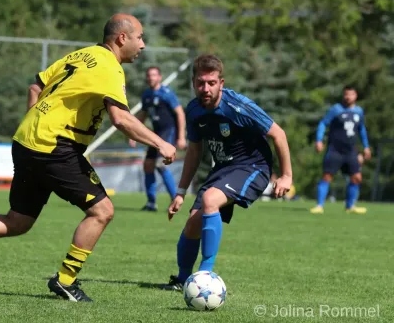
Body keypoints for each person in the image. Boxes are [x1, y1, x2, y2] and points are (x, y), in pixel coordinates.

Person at [0, 14, 177, 302]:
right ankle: (66, 281)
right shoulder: (110, 68)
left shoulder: (82, 55)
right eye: (140, 37)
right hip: (55, 146)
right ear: (122, 38)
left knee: (18, 220)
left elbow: (35, 87)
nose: (142, 45)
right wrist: (161, 144)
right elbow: (120, 118)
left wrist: (37, 119)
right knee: (102, 211)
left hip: (26, 140)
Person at [162, 54, 292, 290]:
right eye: (201, 83)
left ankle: (205, 277)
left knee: (211, 199)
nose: (206, 88)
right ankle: (182, 280)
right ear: (193, 83)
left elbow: (278, 134)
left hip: (253, 166)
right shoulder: (193, 111)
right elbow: (194, 151)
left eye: (211, 83)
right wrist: (180, 191)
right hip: (223, 168)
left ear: (221, 83)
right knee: (193, 223)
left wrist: (286, 176)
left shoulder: (238, 107)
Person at [129, 67, 186, 211]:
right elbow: (143, 114)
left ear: (159, 77)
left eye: (154, 75)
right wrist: (133, 134)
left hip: (168, 132)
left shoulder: (166, 93)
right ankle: (151, 203)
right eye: (149, 75)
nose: (151, 77)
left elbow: (180, 113)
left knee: (160, 164)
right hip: (156, 134)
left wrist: (181, 137)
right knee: (148, 165)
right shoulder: (147, 95)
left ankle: (175, 199)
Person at [310, 85, 370, 214]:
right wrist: (319, 140)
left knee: (357, 178)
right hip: (335, 150)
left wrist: (366, 147)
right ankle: (319, 205)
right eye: (346, 94)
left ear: (356, 96)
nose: (348, 97)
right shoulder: (336, 109)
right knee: (327, 176)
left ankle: (350, 206)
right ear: (343, 95)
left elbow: (362, 129)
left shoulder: (359, 111)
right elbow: (323, 123)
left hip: (351, 151)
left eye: (351, 94)